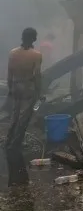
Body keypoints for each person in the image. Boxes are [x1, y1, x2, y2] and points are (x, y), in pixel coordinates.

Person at [5, 27, 42, 186]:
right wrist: (39, 92)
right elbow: (37, 75)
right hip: (28, 88)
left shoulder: (13, 53)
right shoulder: (37, 55)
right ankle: (15, 145)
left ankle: (8, 141)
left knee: (14, 115)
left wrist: (10, 89)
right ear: (34, 39)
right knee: (23, 118)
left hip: (15, 87)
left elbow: (9, 73)